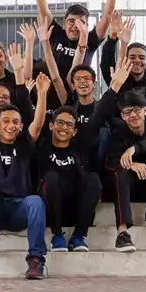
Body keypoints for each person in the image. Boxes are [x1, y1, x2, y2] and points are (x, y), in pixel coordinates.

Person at [0, 65, 51, 279]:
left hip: (17, 208)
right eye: (5, 121)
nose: (10, 125)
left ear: (21, 126)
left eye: (15, 122)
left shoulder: (24, 144)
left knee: (35, 201)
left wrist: (41, 95)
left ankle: (36, 260)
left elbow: (39, 123)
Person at [96, 59, 146, 252]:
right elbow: (111, 161)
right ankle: (122, 232)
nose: (133, 115)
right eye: (127, 112)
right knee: (119, 172)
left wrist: (135, 149)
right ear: (122, 116)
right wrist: (131, 164)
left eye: (137, 110)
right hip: (129, 185)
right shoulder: (119, 132)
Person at [26, 0, 120, 77]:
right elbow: (42, 7)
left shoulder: (90, 40)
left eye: (81, 22)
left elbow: (106, 18)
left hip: (79, 90)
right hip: (52, 89)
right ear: (64, 22)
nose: (75, 26)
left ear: (86, 25)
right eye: (71, 21)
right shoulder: (55, 33)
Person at [37, 106, 102, 252]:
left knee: (93, 179)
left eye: (69, 125)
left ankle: (78, 237)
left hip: (74, 207)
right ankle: (57, 235)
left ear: (74, 131)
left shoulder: (80, 150)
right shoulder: (42, 148)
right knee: (51, 177)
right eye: (60, 122)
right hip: (50, 208)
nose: (64, 127)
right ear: (51, 125)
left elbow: (99, 116)